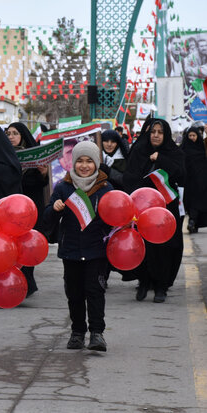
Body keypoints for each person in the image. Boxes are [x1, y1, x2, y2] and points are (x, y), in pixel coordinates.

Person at [43, 141, 112, 352]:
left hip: (96, 251)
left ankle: (97, 334)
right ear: (73, 163)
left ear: (96, 163)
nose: (84, 165)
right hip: (71, 251)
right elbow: (46, 220)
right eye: (80, 161)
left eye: (89, 161)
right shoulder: (64, 187)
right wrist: (54, 209)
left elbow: (115, 217)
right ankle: (77, 333)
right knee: (74, 294)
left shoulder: (106, 188)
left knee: (95, 292)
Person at [123, 118, 185, 303]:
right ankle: (144, 282)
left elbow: (182, 176)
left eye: (160, 132)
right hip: (142, 207)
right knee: (143, 245)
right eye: (152, 132)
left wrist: (161, 160)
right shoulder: (139, 150)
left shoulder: (173, 152)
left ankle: (161, 286)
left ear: (165, 135)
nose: (156, 135)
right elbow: (129, 177)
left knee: (164, 247)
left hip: (166, 207)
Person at [7, 122, 49, 297]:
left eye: (15, 133)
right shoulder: (4, 154)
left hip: (31, 207)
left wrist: (43, 173)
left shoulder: (35, 154)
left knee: (27, 246)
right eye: (8, 133)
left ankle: (27, 283)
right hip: (10, 210)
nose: (11, 137)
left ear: (23, 136)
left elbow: (42, 184)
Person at [181, 127, 207, 233]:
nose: (192, 138)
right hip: (188, 182)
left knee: (198, 203)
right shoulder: (183, 149)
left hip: (202, 182)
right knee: (190, 202)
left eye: (194, 136)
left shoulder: (202, 149)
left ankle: (193, 221)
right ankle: (192, 221)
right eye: (190, 136)